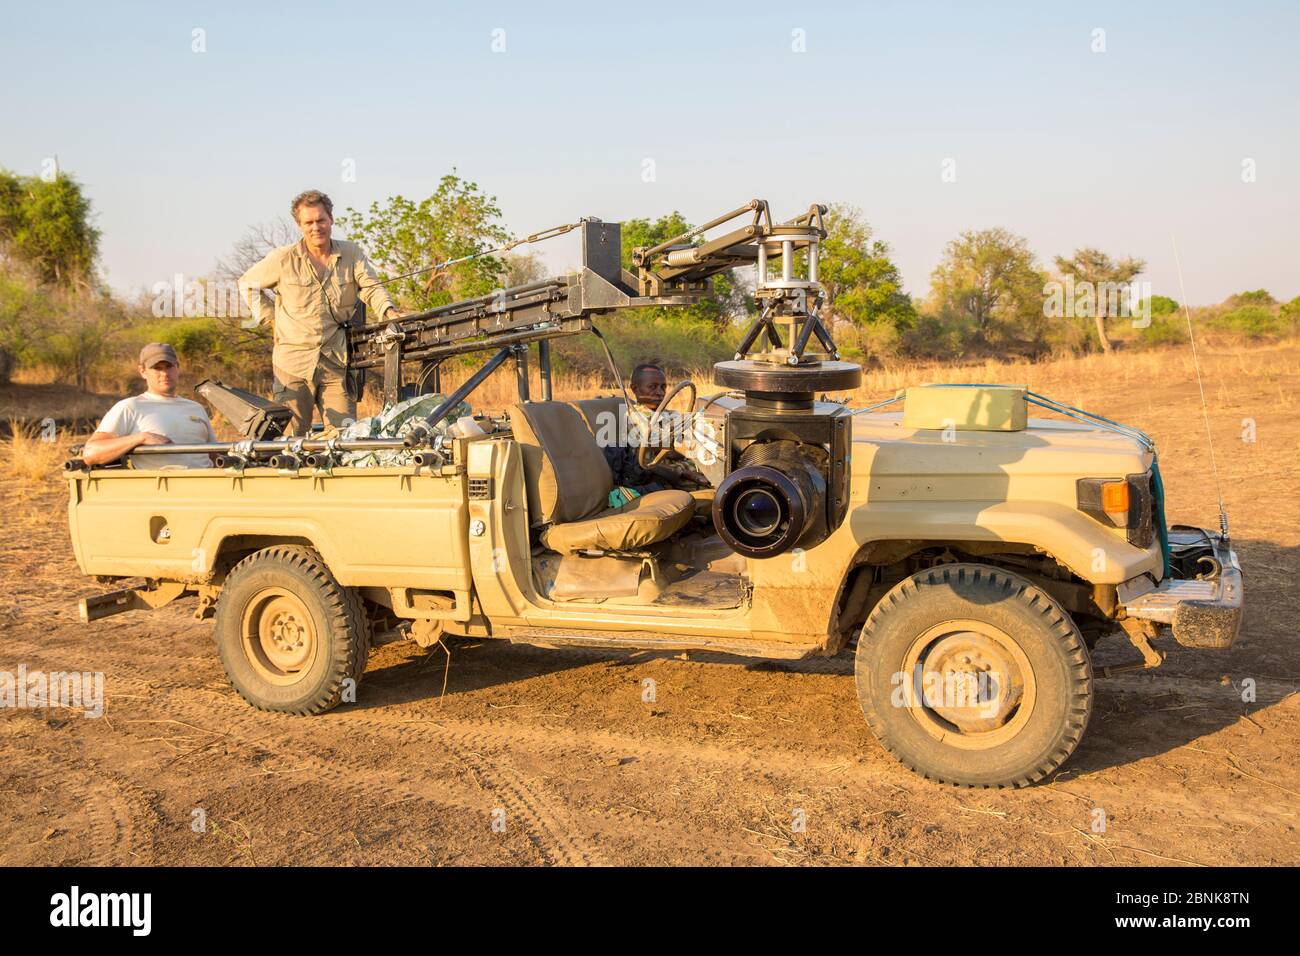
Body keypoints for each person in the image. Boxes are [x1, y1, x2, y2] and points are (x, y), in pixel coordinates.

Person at [238, 189, 404, 435]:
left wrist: (389, 312)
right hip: (292, 363)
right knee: (290, 440)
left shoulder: (350, 253)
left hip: (336, 360)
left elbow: (371, 288)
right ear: (299, 225)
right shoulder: (283, 259)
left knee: (345, 436)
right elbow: (246, 283)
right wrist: (271, 318)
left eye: (321, 220)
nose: (316, 227)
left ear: (331, 219)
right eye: (309, 222)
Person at [82, 343, 217, 468]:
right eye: (157, 368)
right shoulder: (130, 407)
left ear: (177, 367)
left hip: (208, 487)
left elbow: (215, 455)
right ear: (142, 371)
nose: (164, 374)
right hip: (162, 489)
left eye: (169, 367)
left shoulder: (196, 408)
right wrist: (142, 437)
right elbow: (91, 453)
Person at [603, 363, 709, 505]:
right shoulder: (635, 417)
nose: (660, 392)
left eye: (663, 387)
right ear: (635, 389)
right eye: (652, 387)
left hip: (689, 466)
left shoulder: (668, 414)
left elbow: (688, 438)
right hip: (664, 476)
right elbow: (669, 451)